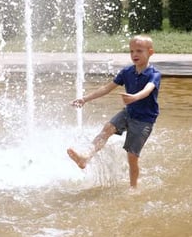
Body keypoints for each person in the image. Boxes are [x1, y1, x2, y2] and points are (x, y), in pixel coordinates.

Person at [67, 34, 160, 188]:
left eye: (139, 51)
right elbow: (106, 88)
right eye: (131, 51)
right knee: (107, 129)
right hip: (128, 112)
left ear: (150, 52)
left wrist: (135, 97)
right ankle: (85, 157)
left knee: (132, 156)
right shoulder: (127, 72)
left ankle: (133, 187)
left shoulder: (154, 74)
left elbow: (148, 90)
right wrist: (85, 99)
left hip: (144, 120)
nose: (134, 54)